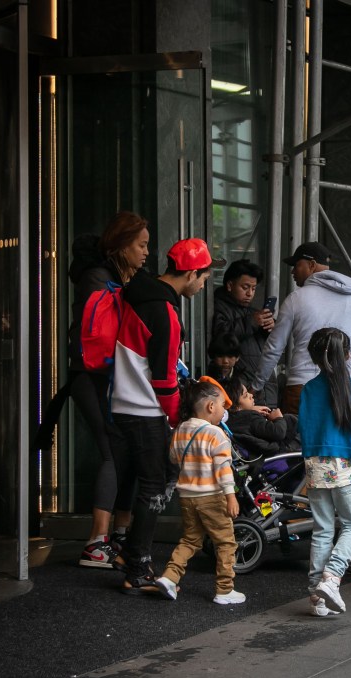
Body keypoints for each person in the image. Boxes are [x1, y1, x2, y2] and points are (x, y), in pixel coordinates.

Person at [110, 237, 222, 594]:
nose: (203, 284)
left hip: (127, 403)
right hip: (144, 408)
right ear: (191, 273)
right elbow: (163, 377)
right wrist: (179, 420)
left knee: (150, 481)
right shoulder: (164, 312)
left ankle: (130, 554)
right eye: (203, 277)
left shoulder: (141, 295)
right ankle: (137, 564)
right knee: (155, 487)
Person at [67, 211, 149, 568]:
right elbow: (99, 339)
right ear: (121, 246)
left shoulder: (118, 278)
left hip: (111, 378)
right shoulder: (99, 280)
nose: (147, 252)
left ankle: (118, 534)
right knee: (112, 452)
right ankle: (96, 543)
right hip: (92, 377)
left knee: (124, 450)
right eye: (141, 245)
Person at [253, 242, 351, 415]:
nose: (292, 271)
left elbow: (274, 348)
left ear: (312, 264)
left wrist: (256, 385)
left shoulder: (295, 299)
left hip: (302, 385)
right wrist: (343, 349)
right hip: (344, 386)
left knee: (298, 441)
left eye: (296, 265)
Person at [299, 327, 351, 617]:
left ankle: (316, 597)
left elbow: (303, 428)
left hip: (315, 465)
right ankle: (332, 578)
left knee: (322, 529)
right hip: (343, 465)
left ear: (315, 357)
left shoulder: (309, 389)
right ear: (347, 355)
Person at [154, 380, 243, 605]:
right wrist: (231, 496)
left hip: (186, 497)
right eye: (223, 406)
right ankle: (225, 589)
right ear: (211, 407)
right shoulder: (215, 434)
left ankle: (169, 577)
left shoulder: (181, 430)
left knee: (190, 540)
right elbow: (223, 469)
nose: (224, 411)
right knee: (225, 543)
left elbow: (174, 458)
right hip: (212, 497)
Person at [212, 259, 277, 406]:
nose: (250, 293)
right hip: (241, 390)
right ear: (229, 285)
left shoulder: (252, 312)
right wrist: (252, 322)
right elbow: (221, 337)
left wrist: (271, 327)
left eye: (253, 289)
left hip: (264, 388)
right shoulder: (216, 307)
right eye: (245, 287)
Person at [221, 378, 301, 456]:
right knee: (291, 420)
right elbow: (278, 432)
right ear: (235, 407)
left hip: (273, 449)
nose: (251, 395)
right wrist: (278, 418)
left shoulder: (230, 420)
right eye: (245, 396)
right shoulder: (250, 418)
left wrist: (250, 409)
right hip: (281, 449)